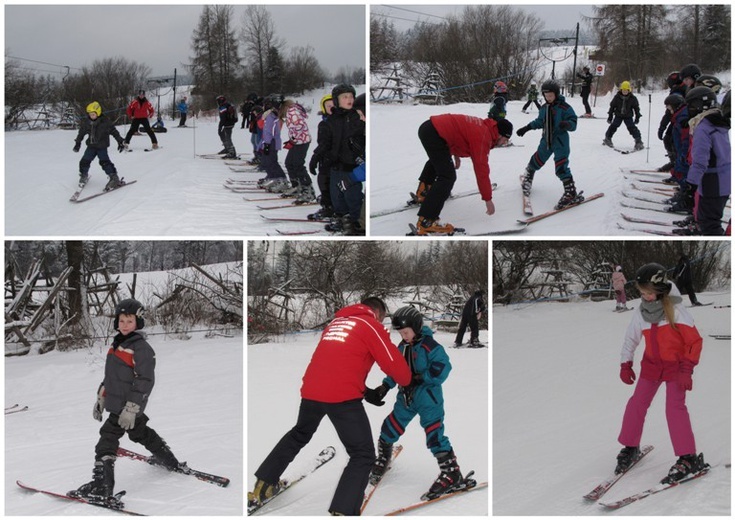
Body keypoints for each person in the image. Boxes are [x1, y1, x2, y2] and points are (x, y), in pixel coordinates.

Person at [248, 298, 411, 516]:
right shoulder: (370, 324)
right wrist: (409, 379)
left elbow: (337, 364)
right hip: (342, 399)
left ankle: (263, 485)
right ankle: (343, 511)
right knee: (362, 454)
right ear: (378, 313)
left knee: (300, 433)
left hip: (311, 392)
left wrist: (364, 390)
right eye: (382, 318)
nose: (382, 322)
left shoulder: (336, 324)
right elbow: (396, 367)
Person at [70, 299, 183, 505]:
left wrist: (132, 408)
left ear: (138, 322)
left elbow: (145, 380)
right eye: (121, 320)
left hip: (127, 407)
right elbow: (111, 376)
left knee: (107, 439)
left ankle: (102, 486)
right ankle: (169, 461)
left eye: (129, 321)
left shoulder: (141, 348)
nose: (124, 325)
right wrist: (101, 397)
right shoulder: (117, 345)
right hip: (118, 406)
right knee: (140, 432)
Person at [366, 306, 470, 501]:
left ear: (416, 327)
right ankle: (383, 458)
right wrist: (385, 386)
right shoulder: (402, 347)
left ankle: (451, 473)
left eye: (405, 332)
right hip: (406, 398)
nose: (403, 336)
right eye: (400, 333)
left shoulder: (430, 346)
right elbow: (396, 369)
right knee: (389, 427)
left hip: (428, 398)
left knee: (434, 435)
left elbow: (443, 368)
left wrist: (421, 377)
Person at [615, 263, 706, 484]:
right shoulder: (642, 312)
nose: (644, 296)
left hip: (676, 368)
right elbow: (631, 338)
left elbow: (694, 341)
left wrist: (687, 369)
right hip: (652, 366)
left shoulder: (675, 310)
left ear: (660, 289)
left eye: (648, 292)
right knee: (637, 403)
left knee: (674, 408)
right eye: (641, 292)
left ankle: (688, 457)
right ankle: (630, 446)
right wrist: (626, 363)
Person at [412, 113, 512, 235]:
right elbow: (481, 170)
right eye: (505, 140)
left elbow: (458, 132)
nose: (504, 143)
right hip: (435, 133)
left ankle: (423, 191)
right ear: (500, 135)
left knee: (438, 159)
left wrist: (456, 155)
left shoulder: (485, 127)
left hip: (429, 128)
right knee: (448, 176)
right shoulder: (483, 137)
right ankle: (426, 221)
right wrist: (488, 199)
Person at [516, 79, 581, 210]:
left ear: (556, 94)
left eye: (550, 96)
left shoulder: (564, 107)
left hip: (560, 141)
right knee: (537, 159)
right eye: (546, 96)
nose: (548, 98)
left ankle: (570, 193)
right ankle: (528, 176)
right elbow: (540, 121)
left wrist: (567, 124)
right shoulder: (544, 108)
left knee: (561, 167)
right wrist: (527, 128)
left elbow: (573, 122)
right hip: (546, 140)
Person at [317, 84, 366, 236]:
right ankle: (342, 218)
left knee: (352, 196)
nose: (349, 99)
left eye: (351, 96)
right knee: (336, 194)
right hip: (336, 164)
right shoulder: (334, 119)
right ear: (337, 101)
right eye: (345, 97)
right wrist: (319, 157)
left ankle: (355, 223)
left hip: (352, 166)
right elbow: (331, 142)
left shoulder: (355, 118)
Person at [684, 86, 731, 236]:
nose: (689, 110)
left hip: (713, 182)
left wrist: (690, 187)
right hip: (723, 178)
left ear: (699, 105)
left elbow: (700, 161)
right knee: (709, 219)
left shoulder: (703, 127)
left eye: (691, 106)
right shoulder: (717, 120)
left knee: (709, 223)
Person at [73, 101, 126, 191]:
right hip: (91, 146)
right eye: (90, 114)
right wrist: (78, 143)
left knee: (104, 162)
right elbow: (81, 133)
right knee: (84, 161)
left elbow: (114, 132)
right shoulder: (87, 122)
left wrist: (120, 141)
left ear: (98, 113)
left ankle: (114, 178)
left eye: (93, 114)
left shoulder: (105, 122)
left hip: (102, 147)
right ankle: (83, 175)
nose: (91, 116)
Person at [278, 99, 316, 204]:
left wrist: (293, 138)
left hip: (302, 141)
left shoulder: (292, 111)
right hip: (297, 141)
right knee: (289, 163)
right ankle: (296, 186)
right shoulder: (291, 111)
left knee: (298, 165)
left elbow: (299, 126)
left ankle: (308, 190)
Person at [307, 94, 336, 221]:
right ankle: (328, 205)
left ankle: (330, 207)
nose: (331, 108)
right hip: (325, 158)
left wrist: (315, 156)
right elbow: (322, 143)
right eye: (328, 106)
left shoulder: (334, 122)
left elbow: (326, 143)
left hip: (332, 158)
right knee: (323, 181)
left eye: (333, 105)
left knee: (326, 182)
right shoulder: (324, 122)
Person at [258, 96, 289, 193]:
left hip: (271, 142)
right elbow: (264, 128)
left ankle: (281, 178)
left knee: (271, 161)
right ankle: (273, 177)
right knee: (266, 161)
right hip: (267, 141)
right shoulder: (269, 115)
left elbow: (270, 130)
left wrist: (267, 144)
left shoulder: (272, 115)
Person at [603, 81, 643, 151]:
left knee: (632, 127)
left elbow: (636, 108)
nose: (624, 92)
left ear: (629, 90)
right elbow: (612, 107)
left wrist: (637, 117)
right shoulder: (617, 97)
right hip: (618, 115)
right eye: (623, 90)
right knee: (614, 126)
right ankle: (607, 138)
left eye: (626, 90)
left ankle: (638, 141)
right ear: (621, 90)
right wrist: (610, 116)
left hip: (628, 116)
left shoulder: (632, 98)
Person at [216, 95, 238, 159]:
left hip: (227, 124)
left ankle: (232, 152)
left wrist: (220, 127)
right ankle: (227, 148)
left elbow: (223, 118)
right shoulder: (228, 104)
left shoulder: (223, 107)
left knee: (227, 137)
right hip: (230, 123)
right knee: (222, 134)